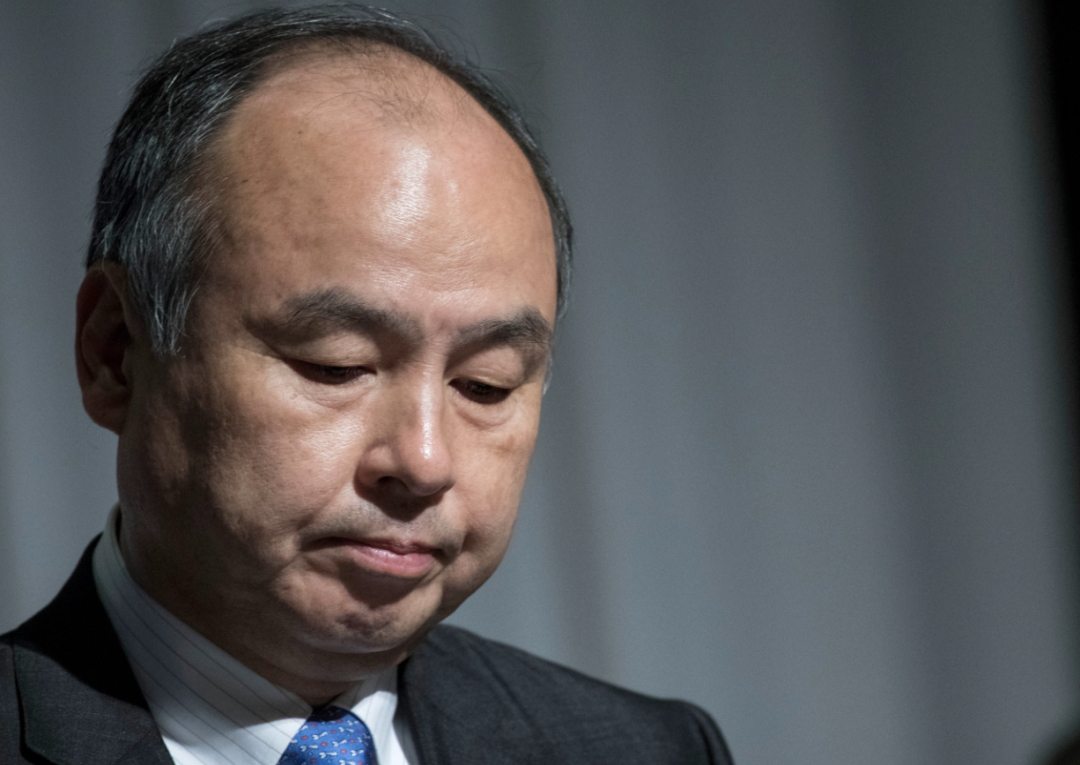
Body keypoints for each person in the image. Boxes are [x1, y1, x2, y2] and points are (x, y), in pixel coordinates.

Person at [0, 6, 733, 764]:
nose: (424, 461)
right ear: (115, 352)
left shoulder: (651, 750)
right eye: (337, 364)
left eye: (484, 384)